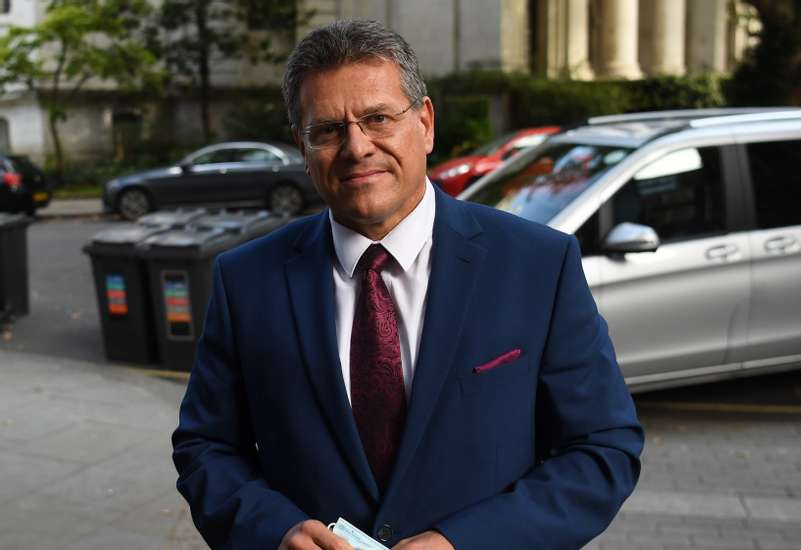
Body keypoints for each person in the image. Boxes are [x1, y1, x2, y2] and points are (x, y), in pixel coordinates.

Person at [172, 19, 643, 550]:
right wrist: (273, 530)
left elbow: (603, 450)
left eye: (377, 119)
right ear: (302, 150)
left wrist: (463, 542)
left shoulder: (538, 264)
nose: (356, 148)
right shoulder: (247, 279)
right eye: (327, 130)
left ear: (425, 123)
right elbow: (206, 447)